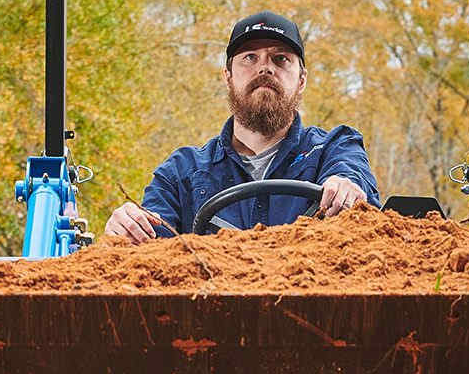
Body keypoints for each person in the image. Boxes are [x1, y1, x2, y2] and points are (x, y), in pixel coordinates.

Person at [104, 12, 379, 241]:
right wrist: (128, 228)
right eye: (250, 57)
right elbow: (148, 247)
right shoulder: (181, 172)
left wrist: (346, 187)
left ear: (302, 79)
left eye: (280, 58)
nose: (265, 68)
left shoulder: (334, 147)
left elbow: (352, 176)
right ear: (228, 76)